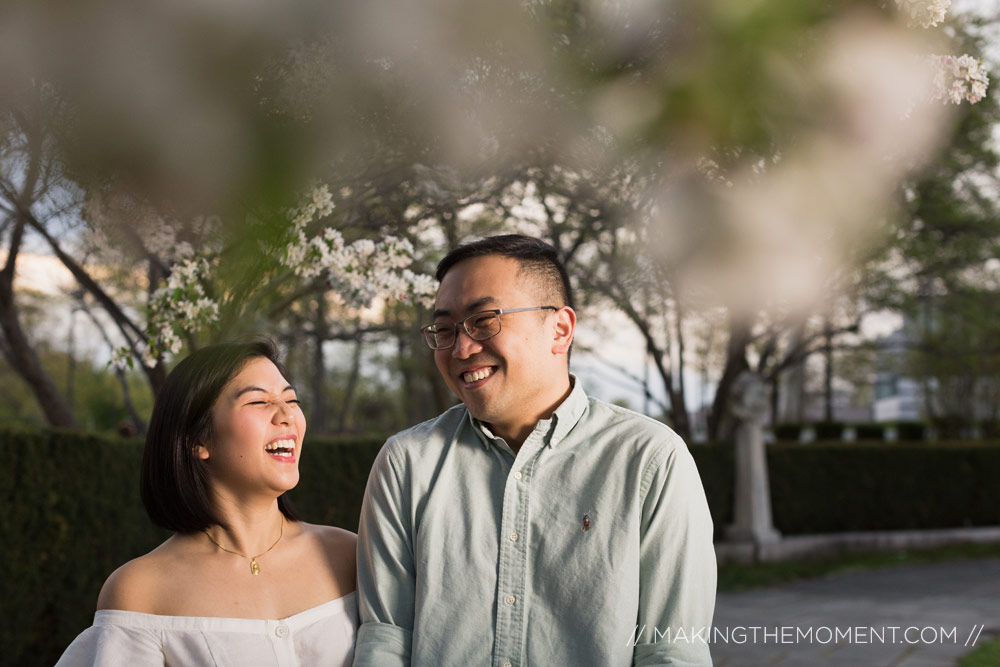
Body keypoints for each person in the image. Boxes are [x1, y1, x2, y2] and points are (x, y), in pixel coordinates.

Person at [354, 235, 717, 666]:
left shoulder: (650, 461)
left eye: (484, 320)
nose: (461, 349)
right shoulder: (406, 463)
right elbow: (386, 642)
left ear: (560, 330)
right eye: (445, 329)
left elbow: (671, 651)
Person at [56, 339, 358, 667]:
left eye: (291, 399)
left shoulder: (351, 555)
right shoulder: (140, 592)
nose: (287, 415)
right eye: (258, 401)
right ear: (197, 441)